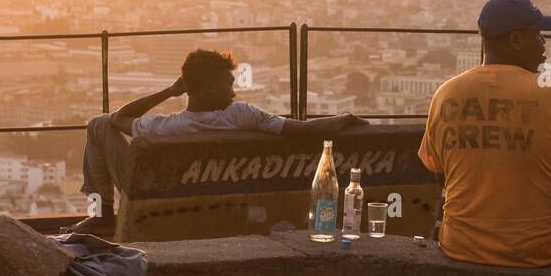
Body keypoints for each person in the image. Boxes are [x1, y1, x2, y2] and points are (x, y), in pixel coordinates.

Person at [68, 48, 366, 235]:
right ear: (210, 86)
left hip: (149, 194)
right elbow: (305, 131)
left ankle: (103, 214)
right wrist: (346, 117)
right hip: (216, 201)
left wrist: (171, 91)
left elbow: (117, 119)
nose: (233, 92)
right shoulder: (243, 116)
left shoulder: (165, 127)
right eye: (228, 84)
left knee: (98, 123)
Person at [417, 0, 551, 267]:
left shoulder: (446, 94)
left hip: (460, 243)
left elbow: (439, 173)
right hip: (538, 248)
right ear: (516, 40)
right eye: (538, 34)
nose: (544, 43)